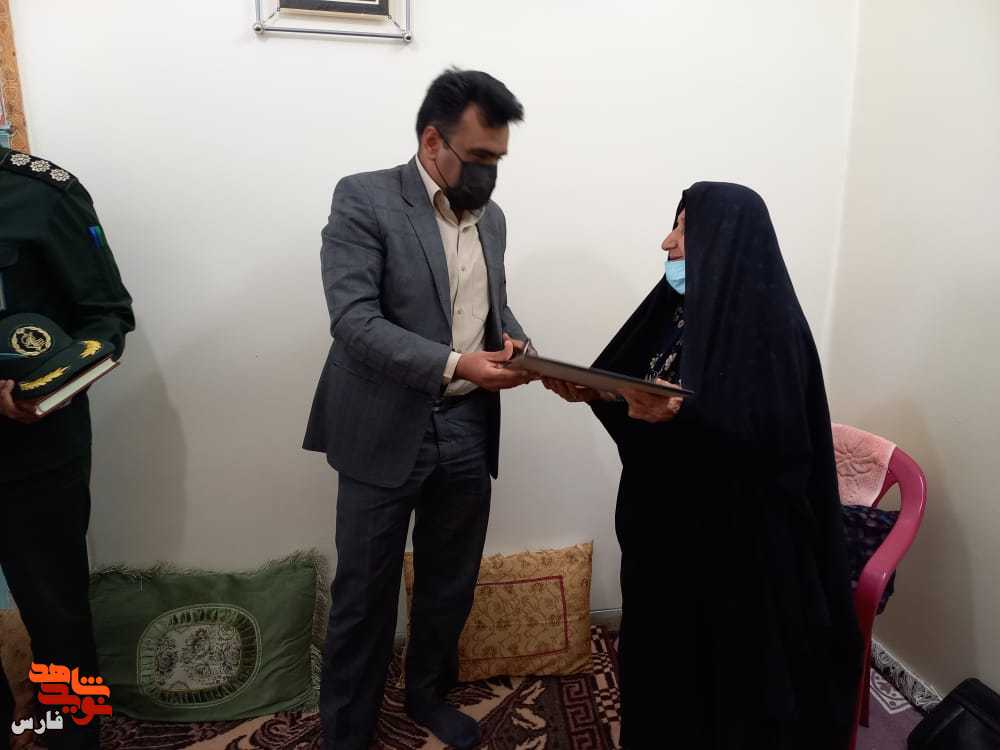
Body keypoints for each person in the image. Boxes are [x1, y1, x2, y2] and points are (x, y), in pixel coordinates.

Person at [542, 182, 862, 748]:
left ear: (727, 240)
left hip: (733, 558)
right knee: (661, 669)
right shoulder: (680, 313)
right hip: (663, 533)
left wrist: (682, 417)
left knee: (719, 692)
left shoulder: (774, 331)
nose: (667, 242)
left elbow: (774, 456)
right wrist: (600, 392)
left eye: (684, 228)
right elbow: (644, 389)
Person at [303, 68, 532, 750]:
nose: (490, 172)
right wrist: (455, 363)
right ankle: (347, 729)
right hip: (383, 423)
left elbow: (488, 307)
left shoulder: (491, 218)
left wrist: (515, 343)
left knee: (448, 582)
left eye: (499, 159)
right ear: (433, 141)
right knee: (364, 593)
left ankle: (428, 696)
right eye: (480, 156)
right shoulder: (364, 198)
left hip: (466, 426)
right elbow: (354, 320)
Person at [0, 145, 135, 750]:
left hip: (29, 454)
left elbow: (106, 318)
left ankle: (73, 737)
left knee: (59, 619)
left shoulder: (41, 193)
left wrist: (44, 387)